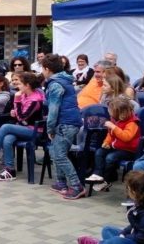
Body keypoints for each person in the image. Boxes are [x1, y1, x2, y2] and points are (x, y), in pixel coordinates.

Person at [0, 72, 44, 181]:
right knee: (7, 139)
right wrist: (15, 111)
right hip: (23, 128)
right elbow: (18, 114)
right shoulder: (25, 95)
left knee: (6, 127)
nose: (17, 85)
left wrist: (17, 101)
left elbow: (21, 117)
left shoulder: (35, 100)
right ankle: (10, 170)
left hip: (34, 131)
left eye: (20, 83)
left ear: (27, 85)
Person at [77, 171, 144, 244]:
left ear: (137, 193)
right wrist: (124, 232)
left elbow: (142, 238)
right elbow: (135, 225)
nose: (127, 192)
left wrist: (124, 238)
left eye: (129, 189)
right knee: (107, 230)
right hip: (138, 236)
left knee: (116, 240)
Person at [41, 53, 85, 200]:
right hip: (70, 121)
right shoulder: (65, 80)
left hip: (65, 123)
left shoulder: (55, 84)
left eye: (42, 69)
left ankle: (76, 186)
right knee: (55, 152)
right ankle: (61, 182)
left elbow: (53, 109)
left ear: (47, 69)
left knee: (59, 156)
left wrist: (50, 128)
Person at [85, 97, 141, 192]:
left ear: (120, 112)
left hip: (129, 150)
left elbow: (126, 137)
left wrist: (114, 127)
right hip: (116, 146)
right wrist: (106, 142)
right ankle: (98, 174)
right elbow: (110, 134)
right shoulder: (115, 120)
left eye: (111, 111)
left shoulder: (132, 123)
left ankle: (106, 180)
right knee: (99, 152)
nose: (109, 112)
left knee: (110, 157)